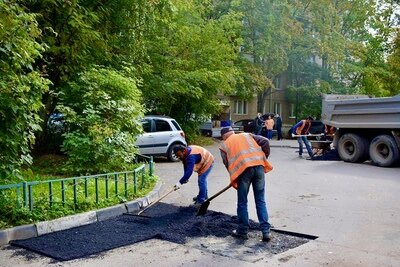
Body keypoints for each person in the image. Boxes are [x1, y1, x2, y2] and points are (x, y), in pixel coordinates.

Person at [219, 126, 273, 242]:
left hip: (243, 172)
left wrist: (235, 176)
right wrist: (263, 158)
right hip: (259, 167)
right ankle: (266, 232)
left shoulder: (224, 145)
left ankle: (242, 231)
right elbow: (265, 141)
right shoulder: (247, 135)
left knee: (242, 202)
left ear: (224, 137)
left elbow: (227, 163)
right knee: (260, 200)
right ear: (232, 132)